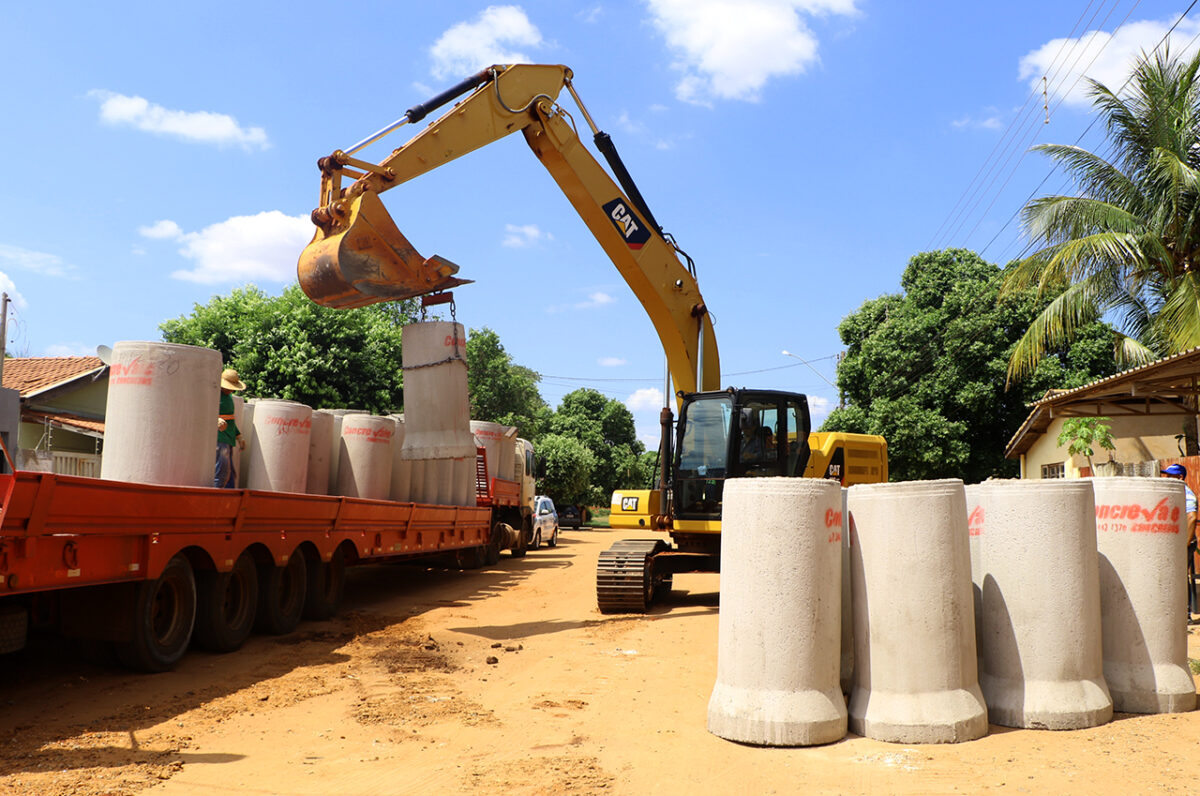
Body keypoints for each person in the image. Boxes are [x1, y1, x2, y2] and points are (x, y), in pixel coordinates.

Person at [1161, 463, 1198, 622]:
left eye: (1170, 475)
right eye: (1167, 475)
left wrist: (1185, 543)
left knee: (1180, 577)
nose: (1167, 478)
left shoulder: (1187, 494)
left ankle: (1186, 613)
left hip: (1184, 544)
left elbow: (1192, 518)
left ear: (1180, 477)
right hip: (1175, 543)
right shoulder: (1175, 495)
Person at [214, 368, 246, 488]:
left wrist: (239, 436)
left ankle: (230, 500)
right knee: (221, 473)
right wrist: (215, 419)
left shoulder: (229, 397)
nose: (232, 389)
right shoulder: (216, 395)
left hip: (228, 439)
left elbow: (230, 420)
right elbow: (205, 412)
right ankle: (216, 499)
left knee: (230, 474)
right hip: (220, 438)